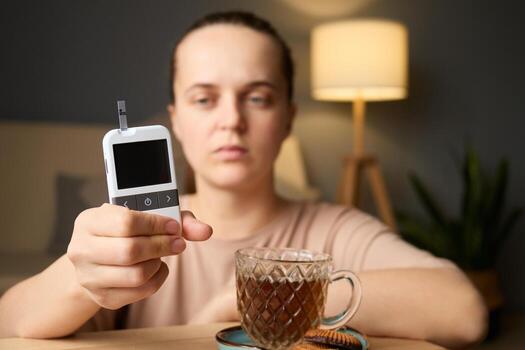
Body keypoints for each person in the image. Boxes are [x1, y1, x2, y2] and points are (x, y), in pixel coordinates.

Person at [0, 11, 487, 348]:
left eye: (257, 97)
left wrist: (246, 303)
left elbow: (464, 311)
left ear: (288, 119)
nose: (231, 120)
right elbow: (8, 325)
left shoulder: (334, 229)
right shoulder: (138, 236)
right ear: (176, 119)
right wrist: (81, 276)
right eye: (204, 99)